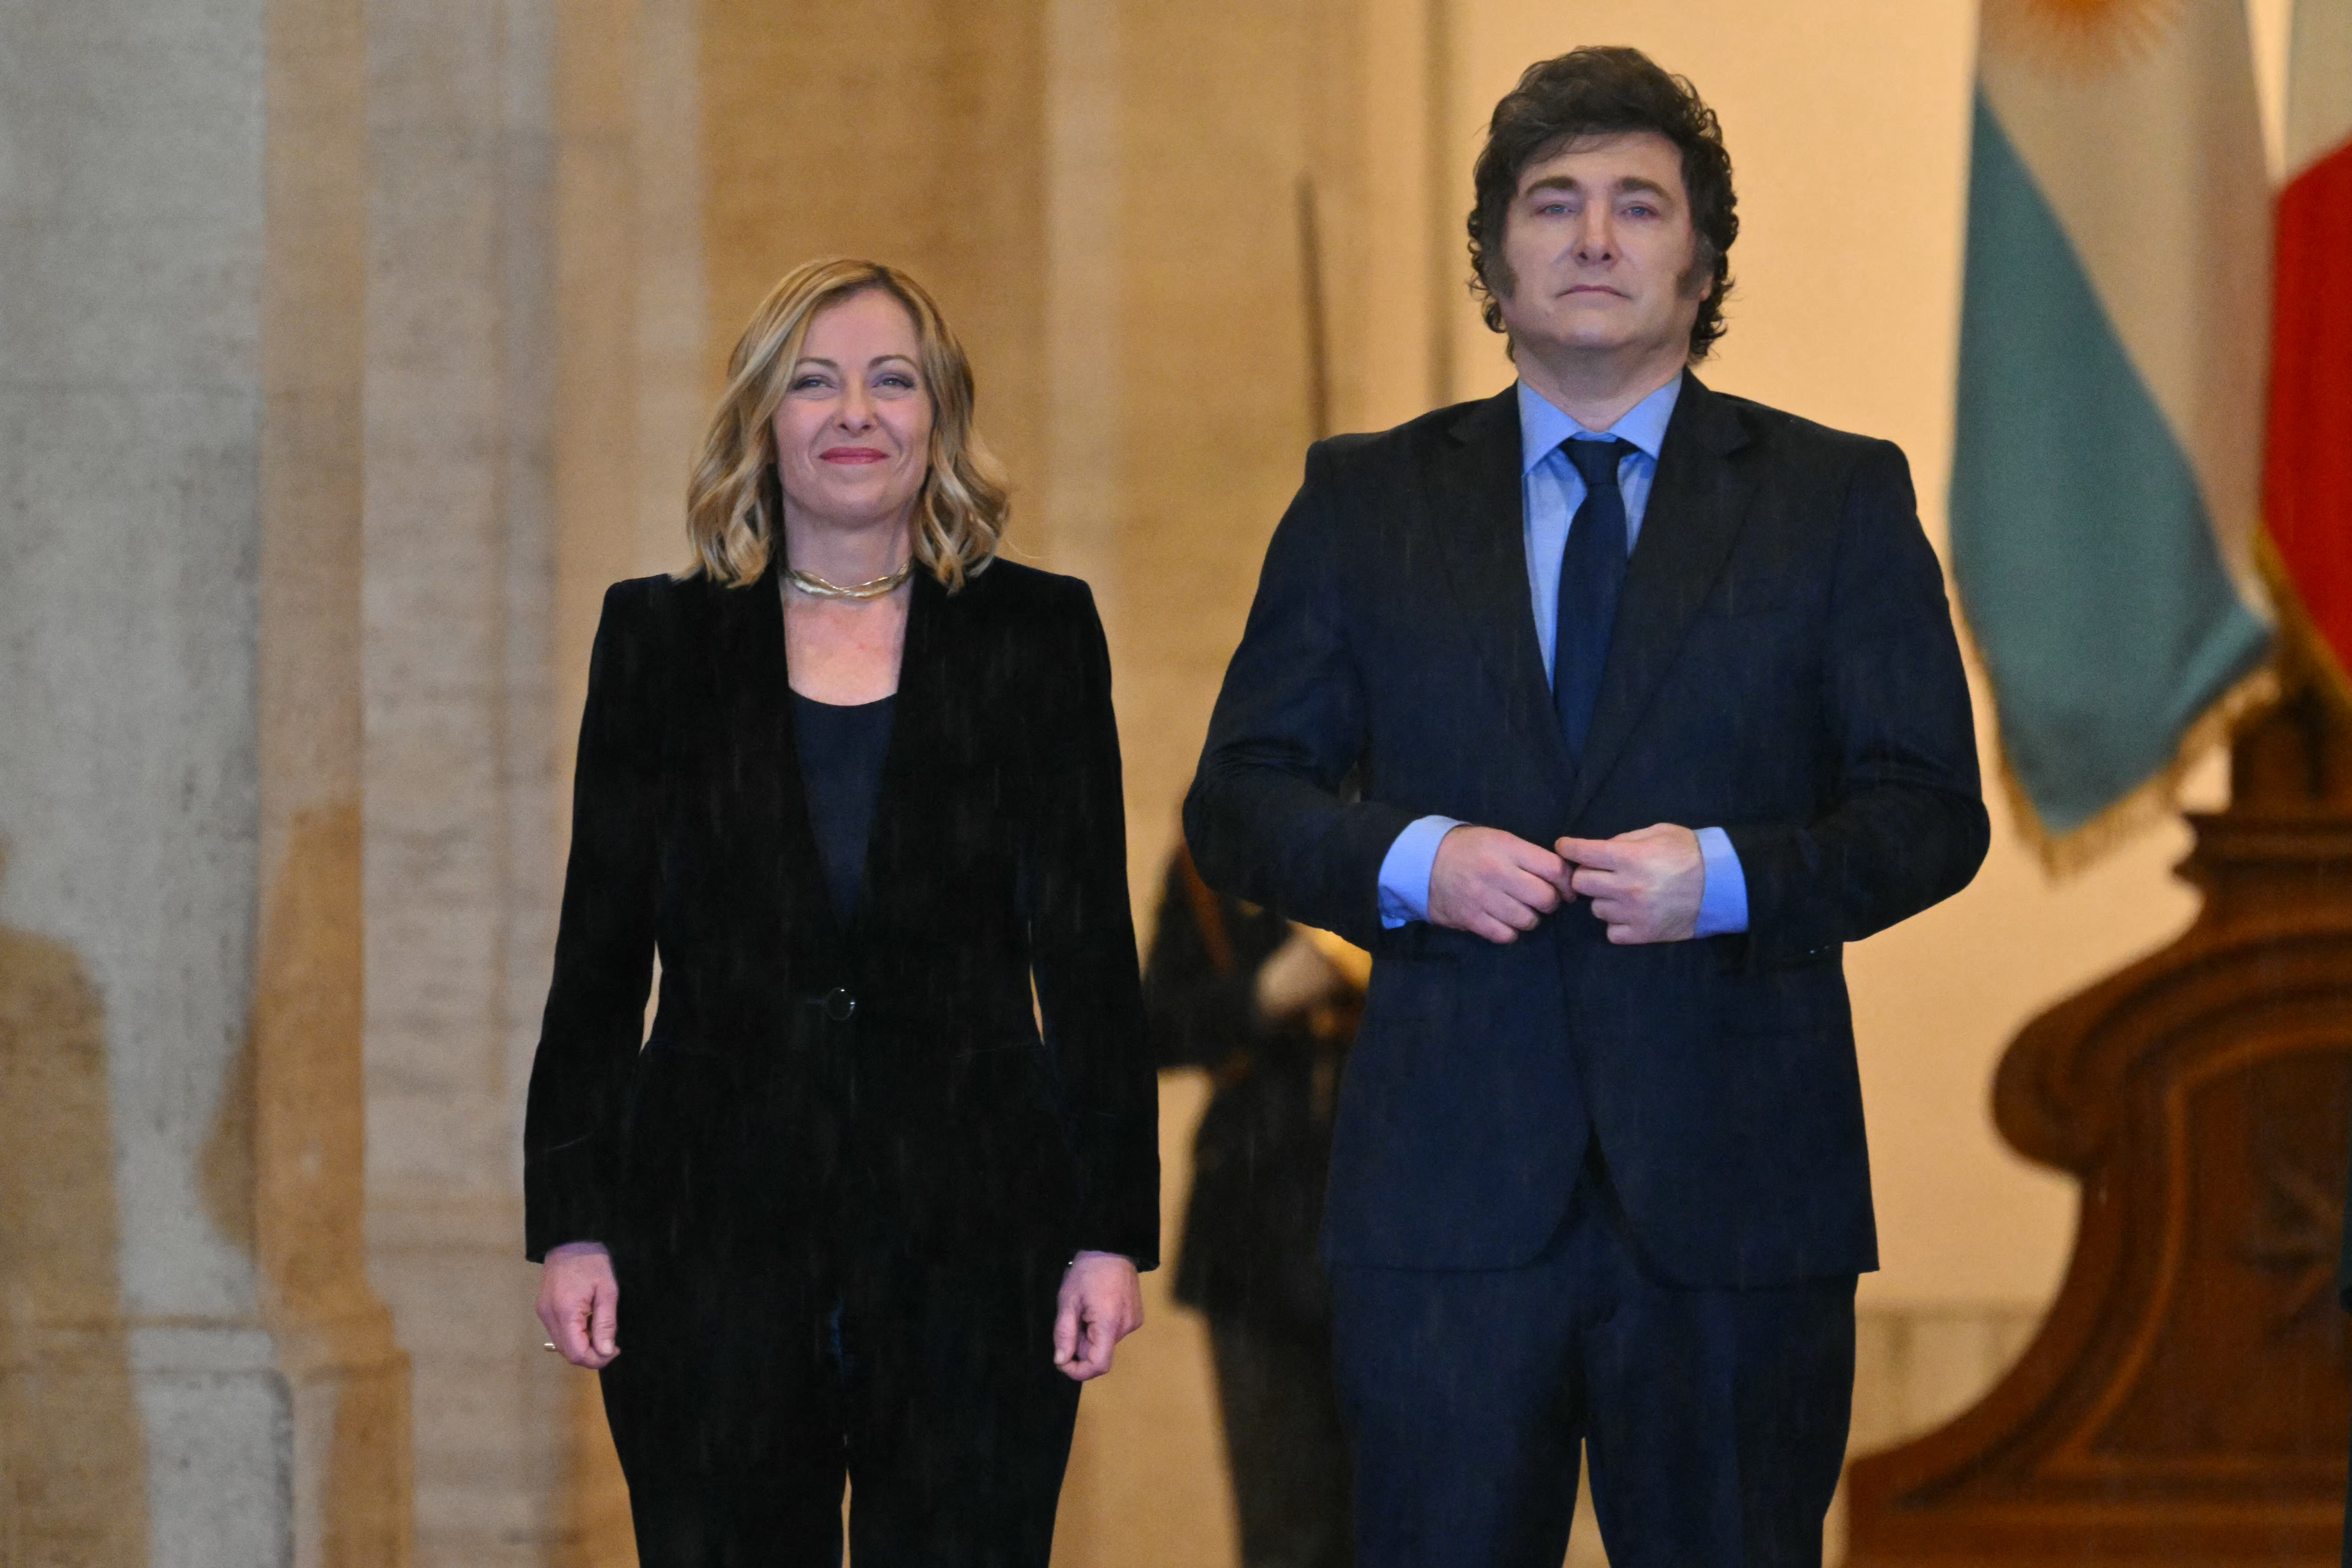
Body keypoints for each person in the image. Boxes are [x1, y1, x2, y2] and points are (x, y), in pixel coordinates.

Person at [1184, 46, 1989, 1568]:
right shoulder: (1366, 501)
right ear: (1492, 258)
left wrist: (1732, 877)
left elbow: (1931, 813)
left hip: (1740, 1208)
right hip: (1445, 1214)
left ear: (1704, 262)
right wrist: (1414, 860)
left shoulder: (1835, 502)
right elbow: (1241, 802)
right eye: (1554, 205)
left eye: (1641, 205)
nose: (1598, 238)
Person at [523, 257, 1157, 1568]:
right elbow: (598, 951)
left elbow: (1088, 952)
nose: (853, 413)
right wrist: (573, 1216)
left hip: (980, 1230)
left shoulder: (1035, 636)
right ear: (760, 418)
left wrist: (1108, 1228)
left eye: (890, 381)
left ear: (940, 418)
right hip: (707, 1230)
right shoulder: (656, 643)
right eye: (812, 382)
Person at [1143, 844, 1358, 1568]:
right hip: (1253, 1229)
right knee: (1286, 1530)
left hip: (1407, 1230)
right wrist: (1265, 993)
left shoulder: (1428, 828)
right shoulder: (1215, 848)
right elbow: (1154, 1026)